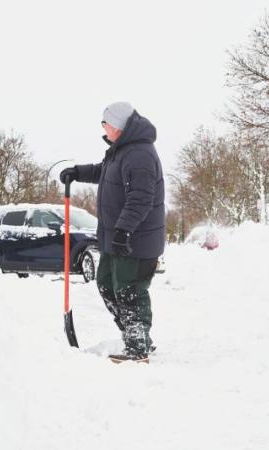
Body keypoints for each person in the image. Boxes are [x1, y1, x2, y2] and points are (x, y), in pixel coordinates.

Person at [59, 102, 165, 363]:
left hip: (134, 241)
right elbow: (105, 173)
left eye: (105, 123)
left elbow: (141, 199)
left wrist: (123, 231)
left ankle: (138, 346)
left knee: (129, 290)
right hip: (116, 239)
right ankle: (134, 335)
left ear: (118, 125)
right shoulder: (121, 151)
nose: (103, 128)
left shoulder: (139, 155)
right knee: (107, 284)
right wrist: (78, 172)